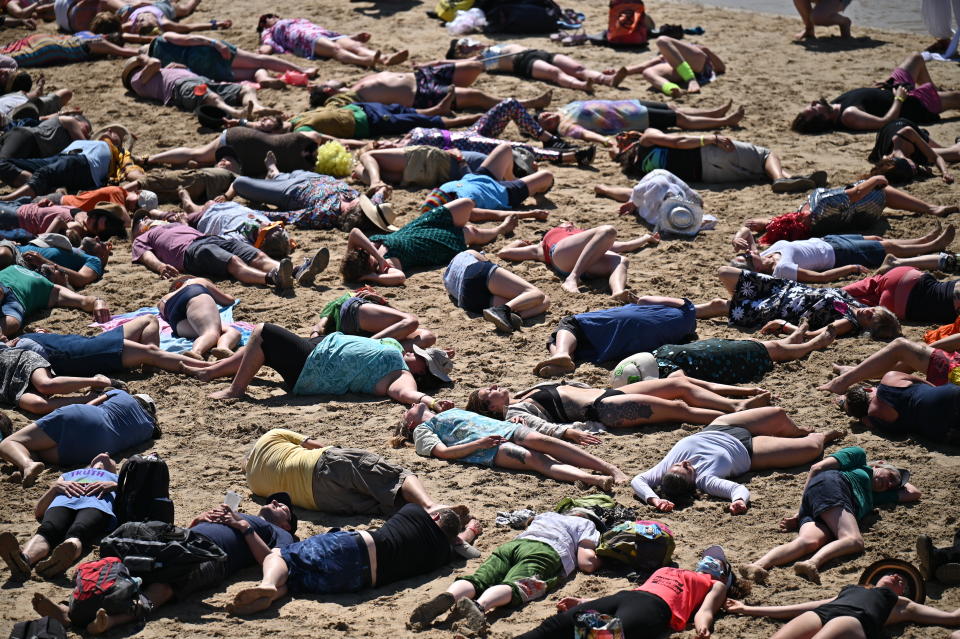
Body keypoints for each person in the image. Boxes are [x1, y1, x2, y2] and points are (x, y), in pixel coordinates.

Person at [31, 494, 297, 635]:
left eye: (283, 506)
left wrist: (245, 528)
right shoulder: (241, 513)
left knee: (167, 583)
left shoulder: (281, 534)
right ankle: (69, 609)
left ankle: (112, 621)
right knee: (122, 565)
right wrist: (198, 520)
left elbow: (272, 561)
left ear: (287, 524)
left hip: (209, 558)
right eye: (275, 500)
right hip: (178, 541)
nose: (274, 501)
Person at [226, 502, 465, 616]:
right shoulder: (442, 556)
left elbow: (430, 507)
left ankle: (267, 585)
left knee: (280, 555)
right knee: (293, 580)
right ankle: (274, 596)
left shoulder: (413, 512)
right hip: (356, 582)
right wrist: (471, 530)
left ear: (434, 518)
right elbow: (463, 544)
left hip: (356, 548)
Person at [740, 446, 920, 584]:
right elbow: (817, 468)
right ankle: (813, 563)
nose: (888, 483)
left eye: (893, 484)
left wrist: (899, 482)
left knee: (809, 542)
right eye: (891, 476)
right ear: (879, 463)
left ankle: (757, 565)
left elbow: (914, 493)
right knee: (854, 540)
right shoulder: (859, 458)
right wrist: (800, 510)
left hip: (827, 506)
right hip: (834, 487)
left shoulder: (876, 497)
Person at [408, 511, 600, 634]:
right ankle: (480, 606)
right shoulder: (586, 525)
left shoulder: (547, 515)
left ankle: (449, 596)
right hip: (547, 551)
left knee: (479, 579)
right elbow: (586, 563)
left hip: (513, 545)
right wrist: (602, 559)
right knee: (517, 585)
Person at [632, 407, 843, 514]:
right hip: (749, 451)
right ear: (691, 482)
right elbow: (737, 490)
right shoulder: (706, 480)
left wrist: (653, 500)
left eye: (678, 465)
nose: (684, 463)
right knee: (812, 448)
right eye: (685, 469)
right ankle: (824, 435)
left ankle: (796, 431)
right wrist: (739, 501)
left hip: (719, 427)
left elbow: (638, 481)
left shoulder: (665, 468)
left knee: (778, 414)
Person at [180, 323, 454, 402]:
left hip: (313, 367)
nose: (415, 353)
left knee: (264, 333)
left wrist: (430, 402)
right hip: (318, 349)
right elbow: (414, 333)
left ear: (422, 371)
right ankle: (211, 371)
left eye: (420, 357)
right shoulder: (399, 353)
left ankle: (235, 390)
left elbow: (406, 394)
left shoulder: (401, 375)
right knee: (262, 347)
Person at [515, 546, 741, 639]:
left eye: (718, 562)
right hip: (626, 597)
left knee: (606, 634)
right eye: (707, 557)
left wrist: (703, 625)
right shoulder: (670, 569)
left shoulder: (716, 584)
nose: (709, 561)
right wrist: (585, 600)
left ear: (725, 575)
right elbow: (639, 588)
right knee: (558, 625)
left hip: (657, 608)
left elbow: (706, 609)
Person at [396, 404, 627, 488]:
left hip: (503, 430)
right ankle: (594, 479)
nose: (413, 404)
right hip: (488, 448)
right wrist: (479, 443)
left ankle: (608, 468)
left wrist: (508, 421)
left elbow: (480, 420)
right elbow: (443, 453)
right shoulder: (421, 431)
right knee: (535, 459)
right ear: (410, 422)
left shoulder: (447, 411)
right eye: (408, 409)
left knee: (547, 442)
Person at [467, 379, 771, 436]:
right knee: (680, 408)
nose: (494, 387)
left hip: (610, 392)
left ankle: (736, 402)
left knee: (679, 383)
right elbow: (542, 430)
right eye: (489, 393)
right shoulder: (515, 414)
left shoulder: (520, 396)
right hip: (603, 409)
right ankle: (743, 417)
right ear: (492, 409)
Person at [244, 428, 443, 515]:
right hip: (319, 465)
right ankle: (430, 506)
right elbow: (315, 445)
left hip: (323, 501)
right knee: (393, 476)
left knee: (380, 503)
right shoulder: (270, 436)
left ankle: (428, 518)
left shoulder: (253, 484)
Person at [732, 176, 958, 250]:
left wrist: (762, 226)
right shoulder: (822, 204)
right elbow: (858, 193)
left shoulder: (804, 226)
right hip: (866, 210)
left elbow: (786, 221)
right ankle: (931, 208)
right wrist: (876, 179)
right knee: (882, 190)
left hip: (853, 220)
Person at [340, 198, 519, 286]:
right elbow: (400, 277)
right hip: (432, 244)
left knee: (466, 203)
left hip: (419, 227)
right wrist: (371, 276)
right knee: (471, 232)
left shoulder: (369, 250)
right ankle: (501, 229)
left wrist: (374, 256)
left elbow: (355, 233)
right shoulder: (386, 266)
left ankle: (499, 217)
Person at [0, 389, 158, 487]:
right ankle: (27, 463)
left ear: (137, 398)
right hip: (96, 447)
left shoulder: (122, 395)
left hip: (86, 417)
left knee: (10, 442)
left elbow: (90, 404)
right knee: (40, 452)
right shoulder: (150, 429)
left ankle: (26, 464)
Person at [696, 266, 901, 341]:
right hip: (782, 288)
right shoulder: (854, 303)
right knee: (725, 273)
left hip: (778, 309)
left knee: (721, 305)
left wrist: (784, 325)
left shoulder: (849, 323)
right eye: (873, 310)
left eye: (869, 317)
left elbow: (813, 335)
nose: (867, 311)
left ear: (867, 328)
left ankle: (681, 311)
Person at [0, 452, 118, 580]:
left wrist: (115, 485)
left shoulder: (117, 478)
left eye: (110, 459)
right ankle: (23, 560)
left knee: (78, 531)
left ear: (114, 469)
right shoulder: (68, 475)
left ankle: (60, 560)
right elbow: (38, 511)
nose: (106, 454)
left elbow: (135, 497)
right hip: (63, 502)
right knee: (48, 529)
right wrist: (54, 488)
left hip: (97, 504)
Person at [726, 573, 960, 637]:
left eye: (903, 582)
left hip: (853, 621)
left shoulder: (900, 604)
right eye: (894, 574)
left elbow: (951, 618)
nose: (898, 578)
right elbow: (803, 606)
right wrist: (747, 609)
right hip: (825, 612)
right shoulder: (852, 589)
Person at [792, 52, 960, 133]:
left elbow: (868, 99)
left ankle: (934, 93)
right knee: (957, 98)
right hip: (912, 104)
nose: (814, 102)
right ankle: (935, 98)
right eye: (814, 108)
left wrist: (883, 86)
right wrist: (899, 99)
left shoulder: (835, 104)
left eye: (811, 104)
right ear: (822, 120)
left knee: (916, 58)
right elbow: (885, 122)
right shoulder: (848, 116)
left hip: (891, 87)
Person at [614, 128, 822, 193]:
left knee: (760, 171)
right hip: (706, 153)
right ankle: (780, 178)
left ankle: (794, 180)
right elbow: (677, 141)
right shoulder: (647, 138)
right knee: (765, 156)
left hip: (709, 177)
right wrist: (710, 138)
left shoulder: (638, 169)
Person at [531, 297, 699, 378]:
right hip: (627, 347)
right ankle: (563, 361)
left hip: (625, 321)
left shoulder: (687, 306)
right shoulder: (685, 332)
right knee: (585, 343)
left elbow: (644, 300)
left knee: (570, 324)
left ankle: (561, 354)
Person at [401, 97, 593, 165]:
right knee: (511, 147)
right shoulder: (399, 152)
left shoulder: (408, 135)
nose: (382, 143)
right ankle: (566, 157)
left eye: (378, 142)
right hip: (463, 146)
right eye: (377, 145)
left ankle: (548, 139)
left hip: (470, 134)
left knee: (510, 104)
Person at [129, 214, 298, 291]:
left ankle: (297, 271)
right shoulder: (142, 238)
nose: (144, 219)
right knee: (233, 262)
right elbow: (145, 255)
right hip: (189, 251)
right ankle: (273, 278)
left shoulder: (170, 224)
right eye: (139, 222)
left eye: (143, 217)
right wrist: (160, 267)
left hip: (210, 238)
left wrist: (182, 221)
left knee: (258, 256)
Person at [731, 226, 955, 283]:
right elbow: (819, 277)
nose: (750, 252)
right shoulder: (782, 269)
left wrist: (736, 239)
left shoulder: (766, 254)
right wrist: (849, 269)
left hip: (829, 241)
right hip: (839, 255)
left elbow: (746, 231)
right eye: (749, 258)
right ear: (756, 269)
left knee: (877, 240)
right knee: (885, 247)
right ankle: (932, 245)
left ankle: (924, 241)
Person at [10, 314, 216, 374]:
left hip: (90, 343)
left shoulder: (21, 340)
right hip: (82, 354)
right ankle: (208, 369)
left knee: (149, 320)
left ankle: (152, 363)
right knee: (151, 351)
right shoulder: (13, 351)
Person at [223, 151, 376, 231]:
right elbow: (378, 203)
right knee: (290, 173)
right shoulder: (358, 200)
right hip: (312, 177)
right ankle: (274, 173)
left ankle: (274, 175)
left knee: (241, 184)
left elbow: (292, 217)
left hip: (290, 191)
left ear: (351, 210)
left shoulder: (326, 214)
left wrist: (258, 214)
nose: (365, 201)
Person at [498, 222, 659, 298]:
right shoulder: (544, 242)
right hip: (561, 255)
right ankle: (572, 278)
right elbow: (504, 253)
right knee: (608, 230)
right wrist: (518, 242)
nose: (570, 223)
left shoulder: (588, 237)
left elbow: (623, 246)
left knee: (621, 260)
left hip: (586, 261)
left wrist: (645, 238)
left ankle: (617, 292)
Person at [311, 62, 552, 111]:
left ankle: (516, 62)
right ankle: (528, 104)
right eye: (325, 83)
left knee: (475, 65)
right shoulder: (350, 99)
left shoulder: (356, 83)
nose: (328, 79)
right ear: (330, 91)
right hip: (422, 95)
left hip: (423, 75)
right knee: (476, 96)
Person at [536, 98, 744, 153]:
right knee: (681, 121)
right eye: (542, 121)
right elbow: (585, 135)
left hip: (631, 104)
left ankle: (714, 113)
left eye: (543, 114)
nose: (546, 116)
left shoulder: (564, 108)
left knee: (674, 108)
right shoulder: (565, 126)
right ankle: (724, 121)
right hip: (634, 119)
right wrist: (606, 141)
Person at [285, 93, 479, 146]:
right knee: (410, 121)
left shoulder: (295, 118)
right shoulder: (300, 132)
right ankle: (461, 121)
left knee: (402, 109)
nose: (268, 120)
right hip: (365, 124)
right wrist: (358, 145)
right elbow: (331, 140)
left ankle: (435, 110)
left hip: (359, 109)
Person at [443, 37, 626, 91]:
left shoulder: (493, 43)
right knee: (555, 73)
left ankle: (607, 80)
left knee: (578, 68)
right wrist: (432, 63)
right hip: (523, 62)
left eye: (467, 42)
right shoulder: (478, 61)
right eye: (464, 47)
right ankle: (581, 85)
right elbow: (451, 64)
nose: (470, 45)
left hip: (536, 53)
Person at [121, 54, 272, 119]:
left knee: (246, 89)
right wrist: (145, 58)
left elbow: (158, 68)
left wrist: (180, 68)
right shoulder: (136, 80)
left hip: (197, 80)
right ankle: (235, 113)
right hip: (180, 87)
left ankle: (256, 107)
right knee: (208, 95)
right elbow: (155, 63)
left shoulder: (151, 74)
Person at [830, 370, 960, 444]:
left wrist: (843, 403)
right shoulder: (889, 379)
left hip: (941, 433)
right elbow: (924, 382)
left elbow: (860, 416)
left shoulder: (872, 419)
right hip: (945, 398)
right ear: (868, 389)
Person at [146, 126, 318, 178]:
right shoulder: (308, 163)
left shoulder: (308, 143)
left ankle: (151, 159)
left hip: (245, 145)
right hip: (242, 143)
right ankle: (149, 159)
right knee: (197, 153)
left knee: (198, 155)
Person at [443, 250, 550, 333]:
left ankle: (507, 317)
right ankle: (504, 310)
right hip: (474, 272)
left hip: (468, 299)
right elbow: (487, 263)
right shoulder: (467, 253)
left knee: (545, 301)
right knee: (537, 294)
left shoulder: (446, 278)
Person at [143, 32, 317, 83]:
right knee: (259, 60)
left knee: (253, 72)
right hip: (205, 52)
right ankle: (302, 72)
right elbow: (188, 39)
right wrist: (214, 43)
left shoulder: (158, 64)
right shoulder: (162, 38)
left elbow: (178, 71)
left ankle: (269, 80)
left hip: (201, 69)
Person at [0, 343, 122, 414]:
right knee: (38, 405)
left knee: (45, 385)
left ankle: (98, 380)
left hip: (16, 362)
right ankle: (93, 397)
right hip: (8, 389)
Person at [176, 192, 296, 262]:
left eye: (268, 228)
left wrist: (185, 225)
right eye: (275, 226)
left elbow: (209, 241)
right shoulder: (279, 235)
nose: (270, 224)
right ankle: (192, 205)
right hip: (230, 207)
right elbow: (285, 243)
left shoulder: (239, 242)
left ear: (262, 239)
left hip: (209, 216)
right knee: (210, 203)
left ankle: (188, 203)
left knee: (177, 217)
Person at [0, 263, 111, 335]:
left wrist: (98, 302)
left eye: (62, 273)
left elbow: (83, 301)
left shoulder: (53, 290)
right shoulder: (20, 265)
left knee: (12, 323)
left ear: (63, 283)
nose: (55, 266)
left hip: (14, 298)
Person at [257, 14, 406, 68]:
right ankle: (365, 61)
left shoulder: (292, 20)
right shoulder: (268, 31)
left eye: (272, 15)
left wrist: (352, 36)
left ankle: (385, 59)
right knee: (335, 50)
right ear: (263, 24)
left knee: (355, 45)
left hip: (324, 33)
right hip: (304, 40)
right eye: (267, 17)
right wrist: (260, 52)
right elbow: (268, 46)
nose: (273, 17)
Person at [313, 289, 435, 349]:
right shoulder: (343, 300)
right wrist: (383, 303)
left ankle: (367, 348)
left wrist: (383, 302)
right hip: (353, 312)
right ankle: (365, 347)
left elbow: (401, 323)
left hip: (365, 334)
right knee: (411, 321)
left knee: (428, 337)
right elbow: (319, 327)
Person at [842, 264, 960, 323]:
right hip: (900, 304)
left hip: (906, 276)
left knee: (834, 295)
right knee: (838, 306)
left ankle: (895, 261)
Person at [156, 277, 239, 360]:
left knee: (229, 331)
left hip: (175, 320)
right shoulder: (196, 280)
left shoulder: (162, 301)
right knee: (211, 332)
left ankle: (222, 348)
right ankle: (195, 352)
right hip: (193, 293)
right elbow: (229, 301)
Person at [618, 35, 726, 97]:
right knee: (647, 72)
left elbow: (721, 68)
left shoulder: (691, 49)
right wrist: (619, 72)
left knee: (662, 40)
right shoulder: (663, 56)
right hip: (681, 70)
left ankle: (691, 80)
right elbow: (642, 67)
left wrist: (708, 54)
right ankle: (671, 89)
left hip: (697, 67)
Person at [354, 146, 488, 191]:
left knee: (364, 162)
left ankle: (375, 182)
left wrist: (462, 161)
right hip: (434, 174)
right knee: (365, 161)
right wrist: (461, 162)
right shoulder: (495, 171)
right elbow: (475, 184)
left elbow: (473, 183)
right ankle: (376, 182)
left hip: (435, 166)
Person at [868, 118, 958, 184]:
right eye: (915, 168)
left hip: (903, 127)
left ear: (906, 159)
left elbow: (936, 157)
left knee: (945, 150)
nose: (915, 166)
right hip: (891, 135)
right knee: (952, 154)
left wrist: (945, 173)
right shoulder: (895, 167)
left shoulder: (907, 133)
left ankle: (924, 135)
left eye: (914, 166)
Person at [13, 233, 110, 289]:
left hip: (20, 262)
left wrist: (43, 262)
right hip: (13, 247)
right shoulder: (68, 246)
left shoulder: (94, 260)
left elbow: (82, 279)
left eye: (100, 243)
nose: (97, 237)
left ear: (102, 255)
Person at [0, 33, 138, 68]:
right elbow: (124, 52)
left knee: (8, 49)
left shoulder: (84, 33)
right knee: (15, 59)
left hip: (42, 38)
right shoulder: (100, 43)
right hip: (53, 48)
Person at [0, 112, 90, 160]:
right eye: (87, 128)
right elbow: (85, 147)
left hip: (31, 150)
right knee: (3, 163)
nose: (87, 134)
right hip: (27, 137)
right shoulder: (70, 120)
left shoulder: (70, 144)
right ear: (78, 120)